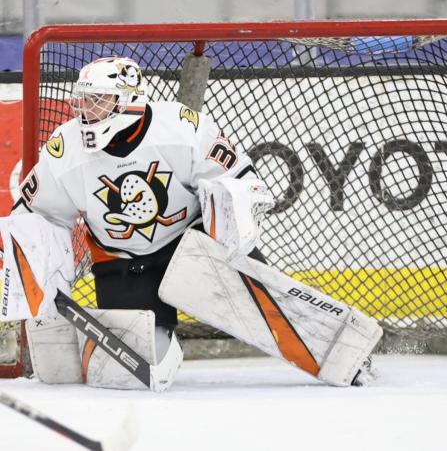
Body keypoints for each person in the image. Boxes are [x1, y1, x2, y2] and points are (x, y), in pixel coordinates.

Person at [8, 56, 273, 389]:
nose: (86, 110)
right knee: (135, 369)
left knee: (268, 311)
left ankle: (273, 306)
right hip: (123, 264)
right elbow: (38, 216)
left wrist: (232, 229)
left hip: (192, 248)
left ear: (127, 100)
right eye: (83, 100)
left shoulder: (179, 126)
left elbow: (235, 179)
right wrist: (37, 270)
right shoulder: (65, 149)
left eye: (98, 100)